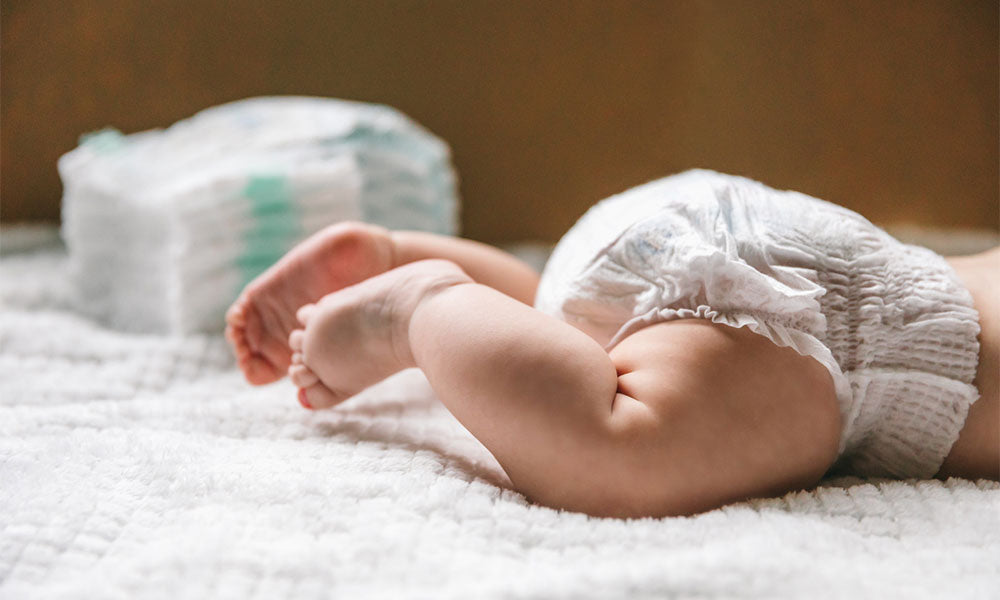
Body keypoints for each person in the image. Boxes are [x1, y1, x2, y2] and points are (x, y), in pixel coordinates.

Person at [225, 170, 999, 518]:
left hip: (718, 224)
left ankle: (426, 267)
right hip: (832, 334)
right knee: (620, 445)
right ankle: (418, 306)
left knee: (573, 332)